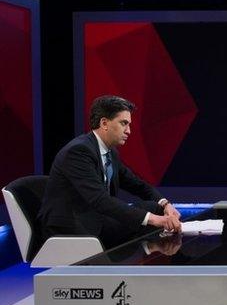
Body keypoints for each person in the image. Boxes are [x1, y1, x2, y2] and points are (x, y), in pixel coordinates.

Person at [38, 95, 182, 249]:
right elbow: (99, 199)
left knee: (157, 209)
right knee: (151, 220)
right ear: (104, 123)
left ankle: (153, 253)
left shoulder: (109, 152)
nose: (129, 131)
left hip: (96, 218)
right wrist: (153, 219)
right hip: (71, 224)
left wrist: (165, 204)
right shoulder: (79, 151)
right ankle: (147, 258)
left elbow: (136, 184)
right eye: (123, 124)